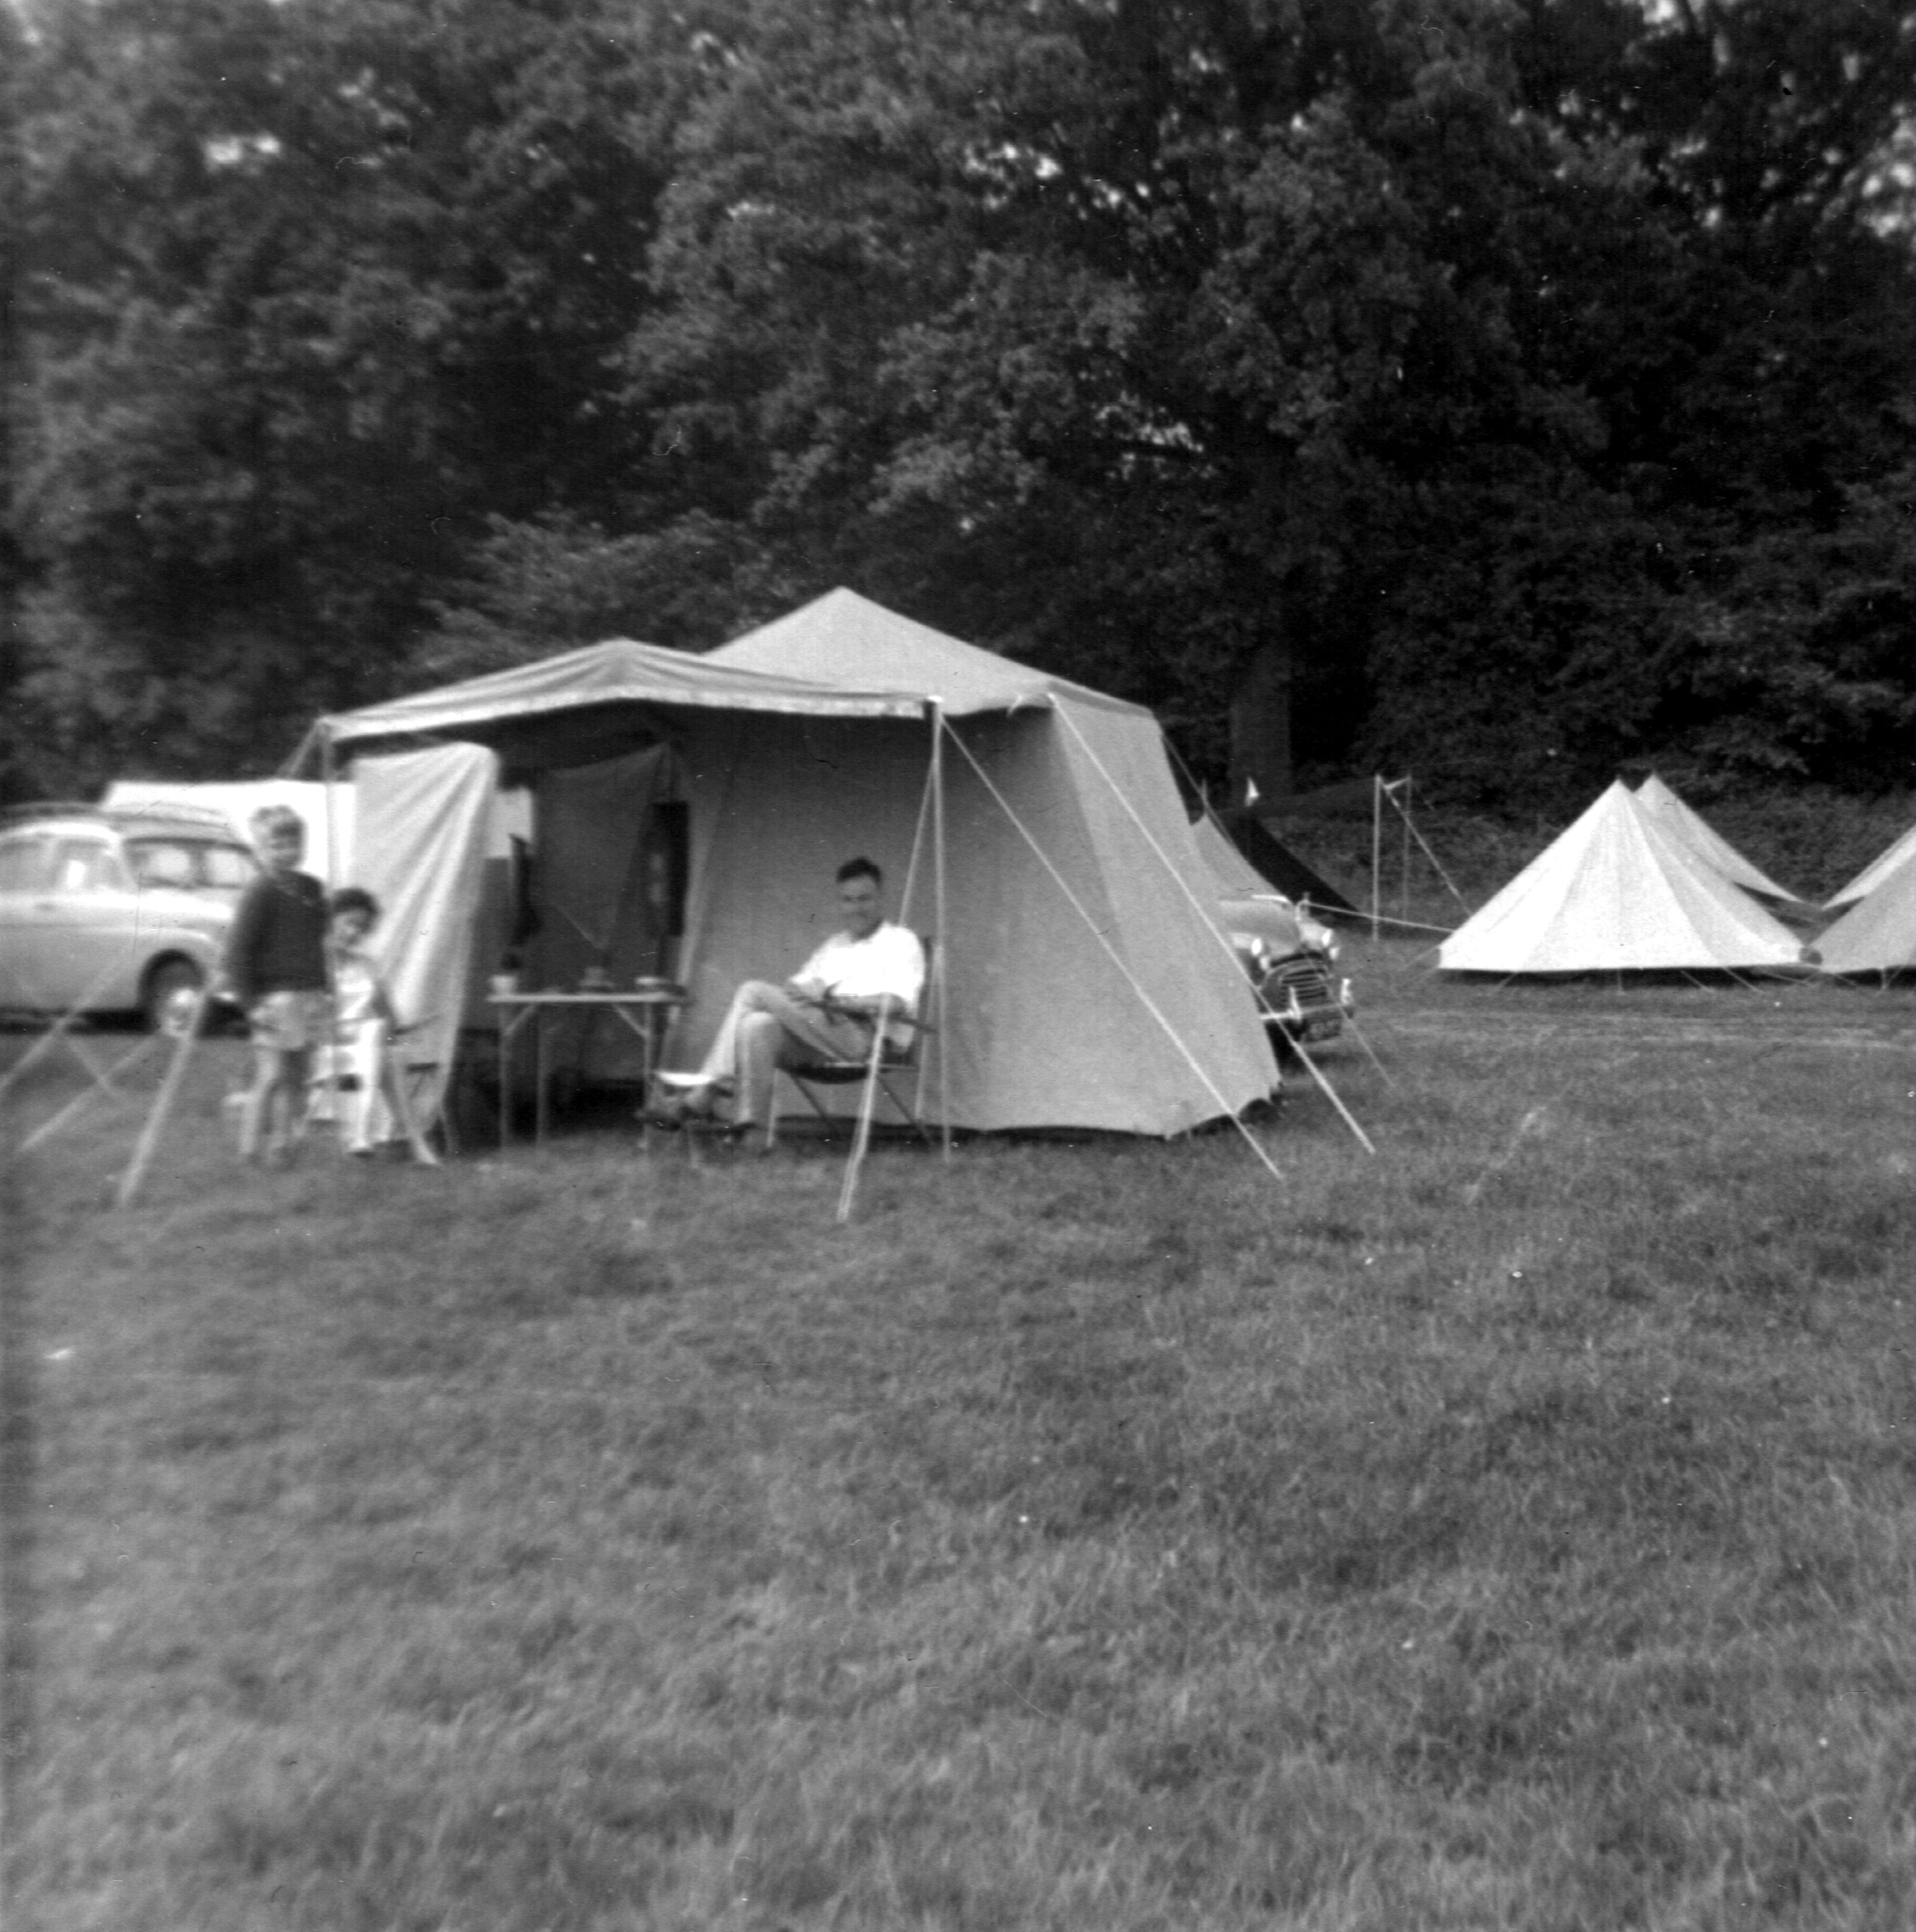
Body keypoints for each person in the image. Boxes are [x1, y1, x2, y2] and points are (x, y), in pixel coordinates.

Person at [653, 857, 925, 1148]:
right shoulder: (835, 945)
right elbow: (794, 988)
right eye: (848, 900)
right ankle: (754, 1136)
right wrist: (805, 990)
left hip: (864, 1037)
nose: (856, 908)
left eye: (864, 899)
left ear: (881, 898)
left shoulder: (901, 941)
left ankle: (704, 1094)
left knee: (752, 991)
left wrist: (838, 1000)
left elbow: (896, 1003)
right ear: (840, 903)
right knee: (757, 1025)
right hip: (818, 1033)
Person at [224, 806, 328, 1166]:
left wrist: (326, 987)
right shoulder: (260, 891)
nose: (286, 852)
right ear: (260, 849)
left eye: (293, 844)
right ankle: (249, 1148)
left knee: (297, 1077)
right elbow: (238, 952)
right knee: (272, 1075)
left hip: (309, 994)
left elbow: (320, 942)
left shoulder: (312, 888)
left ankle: (283, 1146)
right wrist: (250, 1004)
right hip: (274, 999)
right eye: (276, 846)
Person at [309, 887, 399, 1156]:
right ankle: (365, 1135)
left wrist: (387, 1032)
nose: (354, 932)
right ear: (331, 920)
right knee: (374, 1044)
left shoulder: (367, 965)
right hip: (325, 1047)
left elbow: (389, 1015)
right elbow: (309, 1017)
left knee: (373, 1034)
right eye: (349, 923)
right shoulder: (313, 965)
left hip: (364, 1045)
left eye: (362, 927)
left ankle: (361, 1137)